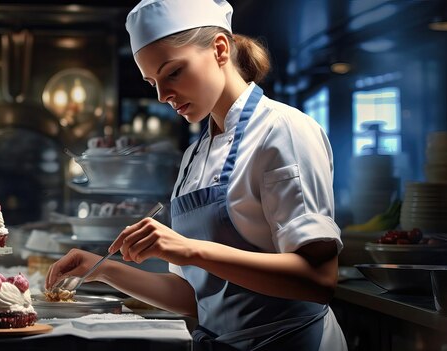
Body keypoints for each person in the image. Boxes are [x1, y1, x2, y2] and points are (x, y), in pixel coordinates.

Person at [46, 0, 348, 349]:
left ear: (220, 49)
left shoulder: (283, 131)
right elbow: (195, 297)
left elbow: (319, 280)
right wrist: (101, 269)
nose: (162, 95)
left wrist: (191, 250)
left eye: (173, 72)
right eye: (152, 82)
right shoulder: (194, 156)